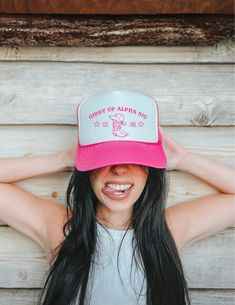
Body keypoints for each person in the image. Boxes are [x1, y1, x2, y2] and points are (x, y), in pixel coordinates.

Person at [0, 90, 234, 305]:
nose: (119, 169)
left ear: (149, 170)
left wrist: (183, 159)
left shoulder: (169, 229)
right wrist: (62, 160)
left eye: (134, 158)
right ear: (88, 168)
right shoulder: (62, 229)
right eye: (104, 158)